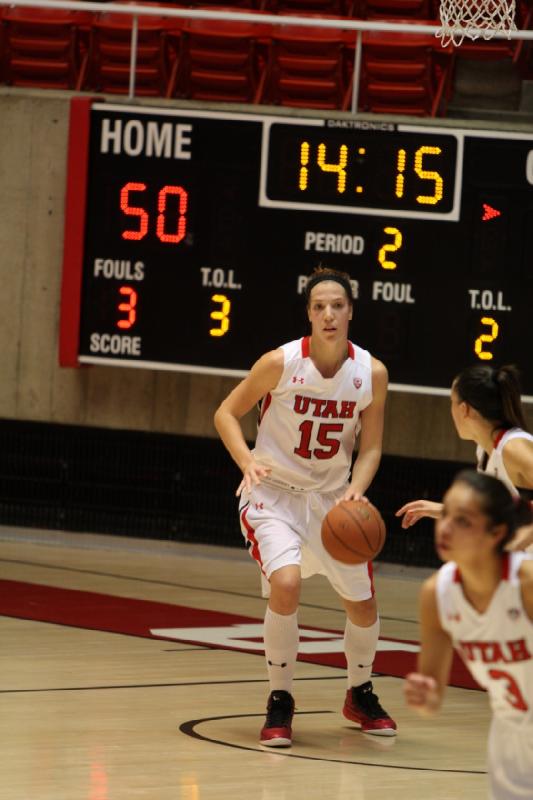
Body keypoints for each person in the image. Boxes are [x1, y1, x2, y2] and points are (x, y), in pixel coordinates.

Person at [213, 265, 396, 746]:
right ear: (309, 315)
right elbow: (225, 413)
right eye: (319, 307)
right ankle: (280, 698)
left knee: (364, 605)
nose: (329, 314)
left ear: (351, 311)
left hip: (333, 501)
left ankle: (359, 691)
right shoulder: (280, 362)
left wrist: (358, 486)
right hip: (275, 496)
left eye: (337, 305)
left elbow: (372, 445)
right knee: (287, 583)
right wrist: (247, 460)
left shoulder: (371, 372)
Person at [404, 469, 533, 799]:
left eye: (463, 521)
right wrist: (424, 696)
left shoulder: (526, 584)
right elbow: (433, 702)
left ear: (496, 533)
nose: (445, 527)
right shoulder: (437, 593)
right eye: (445, 514)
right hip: (510, 745)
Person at [396, 364, 533, 550]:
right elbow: (497, 513)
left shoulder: (512, 447)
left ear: (464, 409)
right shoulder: (485, 449)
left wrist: (515, 544)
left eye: (451, 401)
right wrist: (441, 510)